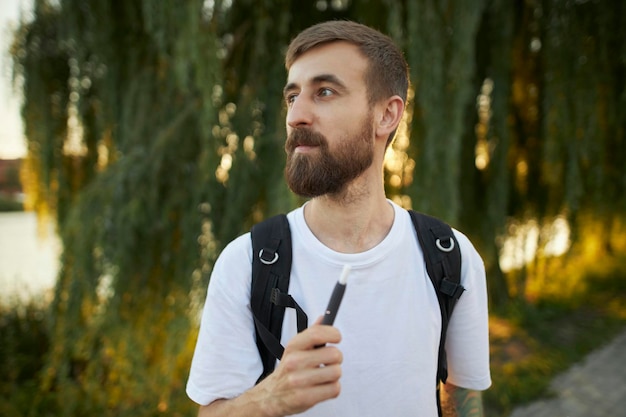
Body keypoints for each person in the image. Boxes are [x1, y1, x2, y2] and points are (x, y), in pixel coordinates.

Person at [186, 20, 491, 417]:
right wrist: (268, 397)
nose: (296, 116)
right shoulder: (247, 263)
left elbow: (463, 401)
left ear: (386, 115)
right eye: (292, 96)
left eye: (324, 92)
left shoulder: (450, 257)